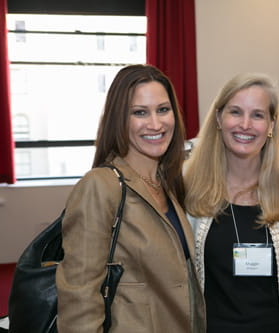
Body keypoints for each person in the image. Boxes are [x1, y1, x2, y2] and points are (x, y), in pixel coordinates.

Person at [56, 64, 206, 332]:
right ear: (119, 119)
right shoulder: (100, 186)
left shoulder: (167, 184)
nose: (156, 124)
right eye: (140, 113)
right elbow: (79, 299)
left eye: (163, 109)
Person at [184, 73, 279, 333]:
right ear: (219, 118)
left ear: (272, 124)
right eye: (235, 112)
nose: (245, 124)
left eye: (257, 115)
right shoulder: (188, 179)